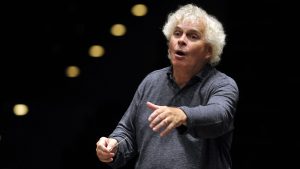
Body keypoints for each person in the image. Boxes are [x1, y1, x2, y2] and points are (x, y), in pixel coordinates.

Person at [96, 3, 239, 169]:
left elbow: (220, 115)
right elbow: (128, 132)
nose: (181, 41)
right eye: (177, 33)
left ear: (208, 50)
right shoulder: (151, 81)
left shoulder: (221, 84)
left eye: (192, 36)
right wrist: (112, 146)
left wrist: (182, 114)